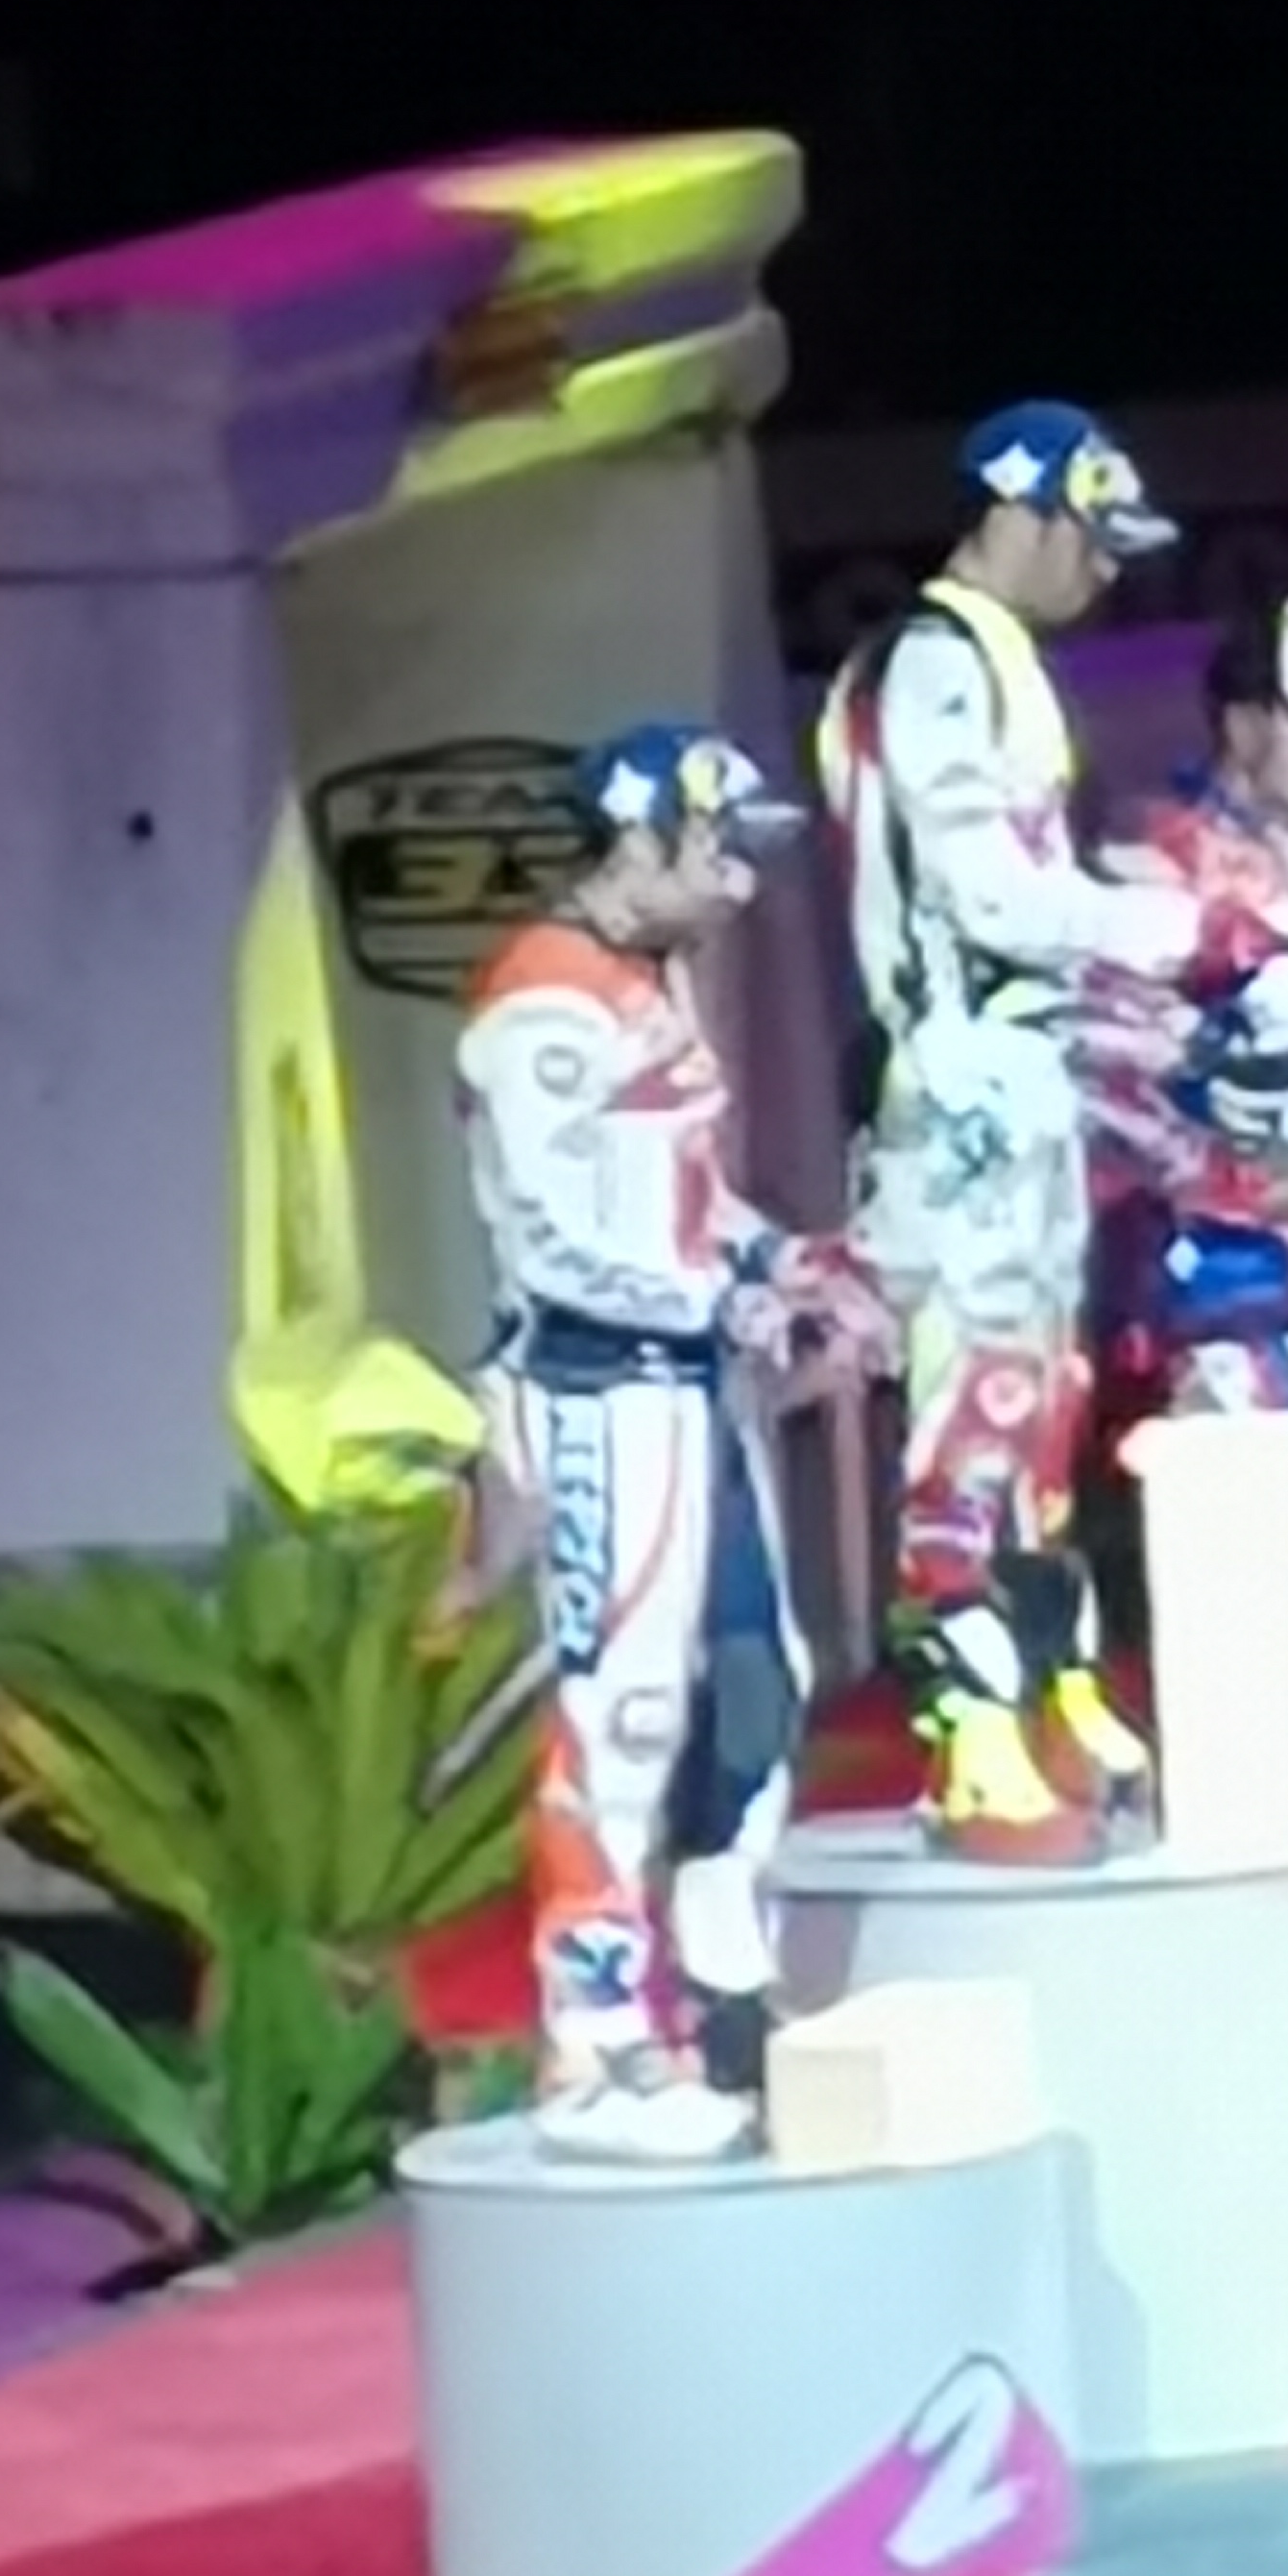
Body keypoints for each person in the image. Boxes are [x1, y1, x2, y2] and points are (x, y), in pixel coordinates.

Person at [816, 400, 1277, 1866]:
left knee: (1046, 1411)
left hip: (1017, 1078)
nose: (1106, 570)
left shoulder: (993, 661)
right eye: (1093, 537)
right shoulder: (933, 666)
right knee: (972, 1414)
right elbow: (990, 898)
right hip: (957, 1082)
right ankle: (968, 1734)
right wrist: (1174, 926)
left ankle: (1053, 1689)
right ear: (1022, 512)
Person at [454, 724, 885, 2165]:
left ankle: (718, 1993)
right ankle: (593, 2051)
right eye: (716, 850)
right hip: (596, 1396)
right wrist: (733, 1298)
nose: (740, 882)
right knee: (624, 1718)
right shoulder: (540, 1006)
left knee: (761, 1685)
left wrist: (793, 1263)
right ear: (637, 841)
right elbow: (560, 1246)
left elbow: (689, 1199)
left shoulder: (653, 981)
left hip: (699, 1392)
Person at [1091, 596, 1288, 1701]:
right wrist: (1251, 1162)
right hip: (1228, 1300)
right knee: (1257, 1624)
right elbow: (1115, 1084)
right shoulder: (1151, 860)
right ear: (1245, 721)